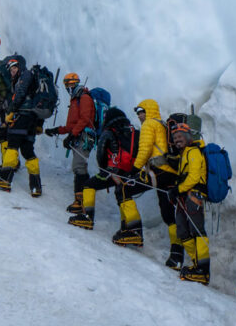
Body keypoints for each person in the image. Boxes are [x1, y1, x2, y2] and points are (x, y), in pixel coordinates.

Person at [67, 107, 143, 247]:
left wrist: (103, 169)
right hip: (129, 172)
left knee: (89, 185)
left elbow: (101, 153)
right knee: (122, 194)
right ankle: (132, 229)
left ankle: (87, 217)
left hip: (112, 171)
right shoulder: (135, 132)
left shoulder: (109, 131)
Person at [131, 99, 183, 268]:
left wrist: (135, 168)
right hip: (171, 173)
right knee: (170, 213)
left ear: (148, 110)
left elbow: (145, 149)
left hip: (159, 172)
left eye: (141, 111)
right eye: (137, 112)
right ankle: (177, 255)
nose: (139, 115)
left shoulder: (148, 125)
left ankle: (131, 231)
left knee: (123, 190)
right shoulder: (162, 125)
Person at [0, 60, 43, 197]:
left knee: (12, 144)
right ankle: (36, 186)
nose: (12, 73)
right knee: (27, 150)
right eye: (10, 70)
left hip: (23, 115)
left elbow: (20, 95)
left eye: (13, 69)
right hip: (32, 118)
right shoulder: (35, 81)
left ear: (19, 68)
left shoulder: (25, 76)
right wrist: (39, 124)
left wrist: (11, 111)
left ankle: (5, 179)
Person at [43, 72, 95, 213]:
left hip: (84, 137)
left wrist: (72, 135)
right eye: (67, 85)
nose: (68, 88)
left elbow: (84, 120)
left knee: (79, 167)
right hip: (79, 136)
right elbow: (71, 125)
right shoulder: (75, 99)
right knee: (78, 167)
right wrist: (57, 131)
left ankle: (82, 202)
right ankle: (82, 200)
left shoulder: (83, 98)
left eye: (70, 85)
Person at [171, 122, 210, 284]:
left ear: (188, 137)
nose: (177, 140)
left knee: (197, 230)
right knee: (182, 229)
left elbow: (194, 177)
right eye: (174, 138)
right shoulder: (185, 153)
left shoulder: (193, 152)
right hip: (185, 196)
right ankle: (196, 265)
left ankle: (203, 269)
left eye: (180, 136)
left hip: (194, 195)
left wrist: (178, 189)